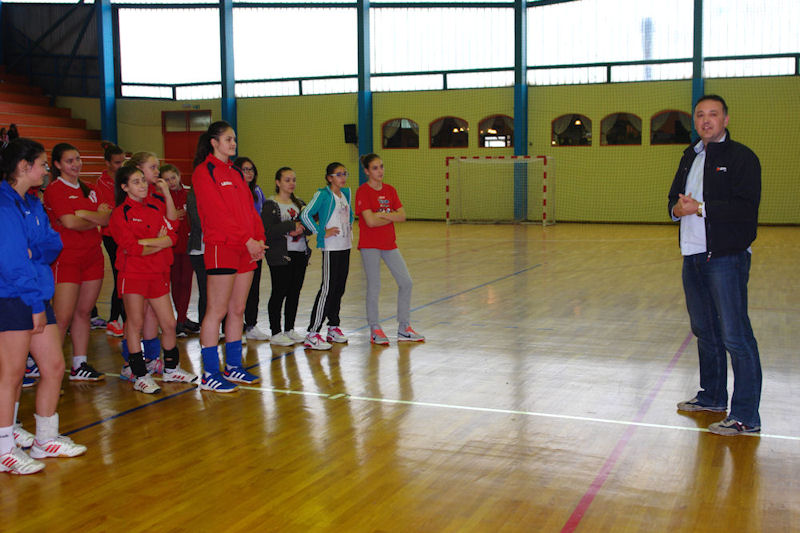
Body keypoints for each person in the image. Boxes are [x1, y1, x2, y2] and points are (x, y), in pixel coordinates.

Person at [668, 94, 762, 436]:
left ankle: (746, 416)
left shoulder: (742, 158)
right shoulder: (690, 156)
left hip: (726, 257)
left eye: (713, 114)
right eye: (700, 115)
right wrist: (676, 210)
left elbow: (745, 208)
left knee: (736, 336)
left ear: (725, 119)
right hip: (692, 255)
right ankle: (712, 397)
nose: (705, 120)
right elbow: (674, 199)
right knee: (705, 331)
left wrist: (700, 208)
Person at [0, 138, 87, 475]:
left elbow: (53, 244)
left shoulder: (33, 203)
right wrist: (35, 303)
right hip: (13, 297)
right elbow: (11, 262)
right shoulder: (4, 205)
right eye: (42, 164)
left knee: (53, 366)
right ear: (24, 167)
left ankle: (45, 439)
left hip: (36, 293)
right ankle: (4, 448)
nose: (46, 170)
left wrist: (33, 251)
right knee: (11, 374)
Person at [192, 121, 266, 392]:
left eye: (234, 139)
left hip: (246, 249)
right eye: (227, 139)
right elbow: (217, 214)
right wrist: (246, 240)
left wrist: (259, 239)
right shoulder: (204, 172)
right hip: (222, 246)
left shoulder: (235, 172)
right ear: (214, 142)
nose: (233, 143)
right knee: (217, 311)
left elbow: (249, 209)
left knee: (237, 310)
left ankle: (233, 366)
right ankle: (209, 373)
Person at [110, 165, 197, 393]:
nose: (142, 185)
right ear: (124, 187)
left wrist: (149, 242)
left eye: (142, 180)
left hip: (157, 272)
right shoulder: (120, 213)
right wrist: (160, 242)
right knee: (135, 324)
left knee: (169, 323)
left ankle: (171, 368)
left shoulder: (156, 204)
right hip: (133, 274)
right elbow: (131, 248)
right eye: (136, 182)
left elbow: (173, 232)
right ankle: (140, 374)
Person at [43, 143, 110, 381]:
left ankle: (79, 365)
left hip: (93, 256)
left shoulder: (90, 189)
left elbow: (106, 217)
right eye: (70, 161)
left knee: (84, 312)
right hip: (67, 258)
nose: (76, 164)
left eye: (78, 159)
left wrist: (84, 215)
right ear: (58, 165)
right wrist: (94, 217)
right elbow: (69, 223)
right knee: (62, 317)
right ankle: (50, 370)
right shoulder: (54, 189)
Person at [355, 154, 424, 345]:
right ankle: (375, 328)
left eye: (381, 166)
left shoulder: (390, 190)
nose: (380, 171)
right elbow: (370, 221)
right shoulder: (363, 192)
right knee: (374, 286)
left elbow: (402, 216)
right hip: (370, 245)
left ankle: (404, 327)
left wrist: (381, 214)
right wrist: (390, 215)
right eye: (375, 168)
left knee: (406, 282)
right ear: (367, 171)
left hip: (389, 244)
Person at [299, 162, 353, 350]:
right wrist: (321, 232)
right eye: (338, 174)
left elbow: (349, 215)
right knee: (327, 288)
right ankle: (313, 333)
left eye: (344, 173)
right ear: (330, 178)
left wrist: (349, 227)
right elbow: (305, 215)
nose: (343, 177)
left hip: (345, 246)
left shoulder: (345, 194)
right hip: (331, 248)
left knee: (339, 288)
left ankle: (333, 326)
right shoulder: (323, 195)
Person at [262, 167, 310, 347]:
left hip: (299, 253)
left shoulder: (299, 203)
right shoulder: (271, 205)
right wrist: (290, 226)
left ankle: (289, 328)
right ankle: (276, 331)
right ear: (278, 182)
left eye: (293, 180)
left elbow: (310, 227)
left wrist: (303, 228)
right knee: (279, 292)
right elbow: (267, 231)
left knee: (294, 292)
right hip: (280, 255)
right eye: (287, 180)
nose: (291, 183)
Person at [161, 164, 199, 337]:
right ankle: (180, 319)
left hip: (189, 245)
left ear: (179, 176)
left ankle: (182, 318)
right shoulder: (162, 198)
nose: (171, 182)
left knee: (186, 282)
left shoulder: (189, 194)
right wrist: (171, 215)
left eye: (173, 178)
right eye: (167, 180)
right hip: (172, 247)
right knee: (176, 283)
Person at [94, 141, 127, 337]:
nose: (121, 165)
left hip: (126, 233)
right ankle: (115, 319)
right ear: (107, 163)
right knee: (119, 275)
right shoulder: (102, 183)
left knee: (125, 275)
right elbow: (110, 211)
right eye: (117, 162)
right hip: (111, 235)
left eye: (123, 161)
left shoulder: (126, 178)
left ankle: (120, 318)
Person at [234, 156, 269, 342]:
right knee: (236, 290)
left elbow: (260, 218)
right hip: (240, 245)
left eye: (251, 169)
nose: (249, 173)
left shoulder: (257, 191)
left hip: (256, 245)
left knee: (254, 287)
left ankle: (251, 325)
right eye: (245, 169)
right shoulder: (232, 192)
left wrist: (260, 240)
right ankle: (233, 327)